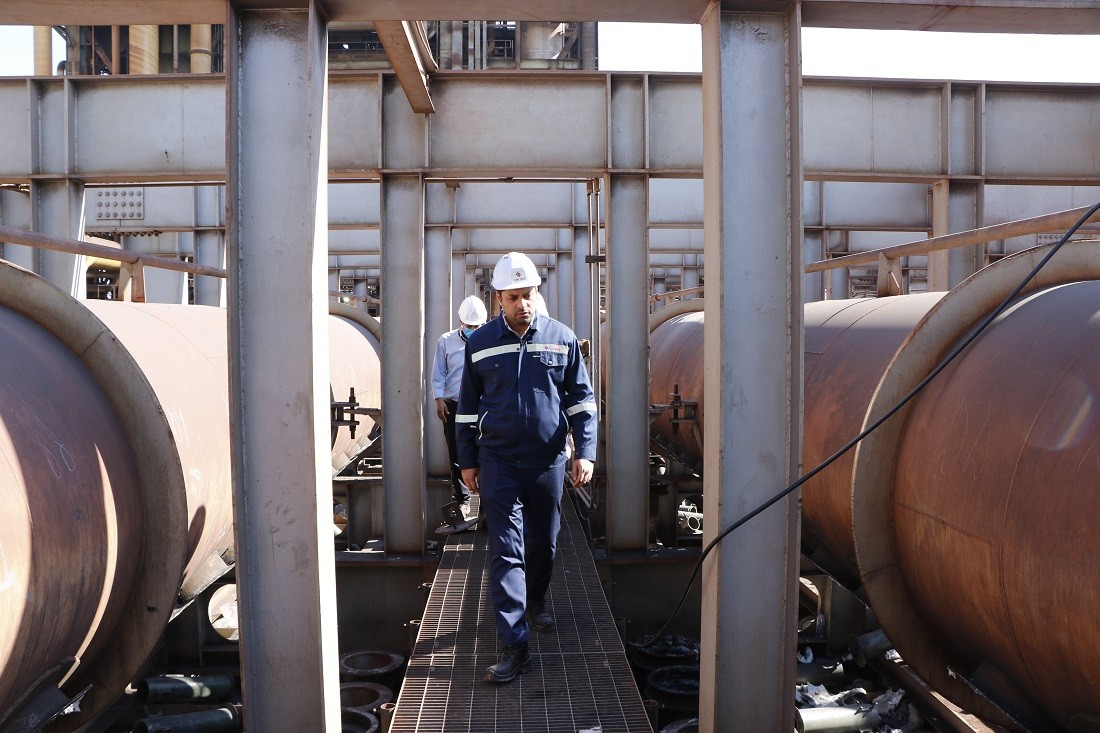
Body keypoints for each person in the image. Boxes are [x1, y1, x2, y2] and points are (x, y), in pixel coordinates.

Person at [455, 251, 597, 684]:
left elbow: (581, 400)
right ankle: (515, 644)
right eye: (514, 297)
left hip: (547, 461)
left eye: (529, 294)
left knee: (545, 542)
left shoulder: (561, 338)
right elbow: (467, 408)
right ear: (498, 298)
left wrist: (585, 451)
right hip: (499, 461)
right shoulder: (480, 343)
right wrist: (467, 461)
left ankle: (535, 599)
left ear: (537, 292)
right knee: (505, 550)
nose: (523, 304)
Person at [431, 295, 488, 504]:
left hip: (482, 405)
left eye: (477, 326)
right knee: (456, 451)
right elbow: (439, 371)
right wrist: (439, 398)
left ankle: (486, 494)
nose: (473, 329)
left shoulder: (489, 340)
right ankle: (463, 496)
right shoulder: (446, 341)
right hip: (454, 404)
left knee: (485, 449)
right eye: (469, 325)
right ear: (460, 322)